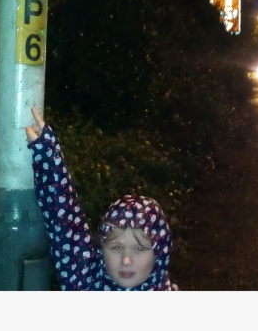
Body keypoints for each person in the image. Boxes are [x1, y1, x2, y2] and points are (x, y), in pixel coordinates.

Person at [24, 106, 179, 291]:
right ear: (101, 249)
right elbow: (66, 224)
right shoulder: (86, 282)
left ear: (159, 253)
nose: (126, 260)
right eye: (115, 247)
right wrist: (48, 156)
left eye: (139, 248)